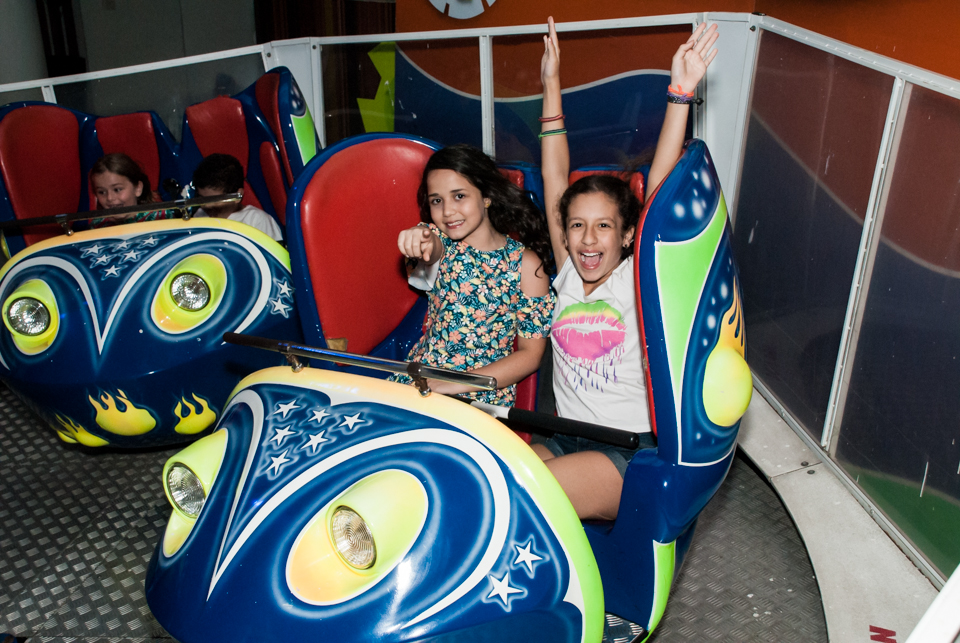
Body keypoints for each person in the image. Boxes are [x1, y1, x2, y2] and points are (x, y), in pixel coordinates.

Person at [533, 17, 719, 520]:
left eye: (604, 227)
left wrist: (680, 93)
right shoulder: (568, 271)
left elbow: (659, 185)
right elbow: (553, 174)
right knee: (492, 476)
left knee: (524, 501)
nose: (588, 240)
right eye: (576, 226)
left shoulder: (638, 280)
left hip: (628, 453)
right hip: (565, 438)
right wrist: (551, 82)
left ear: (629, 234)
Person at [391, 144, 556, 405]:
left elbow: (530, 355)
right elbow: (429, 246)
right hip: (418, 384)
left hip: (479, 395)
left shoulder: (527, 264)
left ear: (486, 196)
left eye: (459, 196)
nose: (447, 211)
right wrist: (418, 238)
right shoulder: (439, 241)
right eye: (437, 201)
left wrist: (457, 383)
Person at [191, 153, 283, 242]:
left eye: (214, 200)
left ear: (238, 195)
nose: (207, 206)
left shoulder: (256, 220)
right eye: (202, 199)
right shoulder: (200, 215)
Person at [89, 153, 175, 227]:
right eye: (102, 192)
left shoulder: (160, 217)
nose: (110, 198)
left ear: (138, 188)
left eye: (117, 189)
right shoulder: (98, 225)